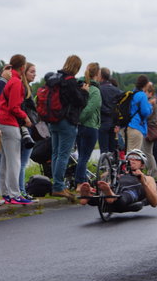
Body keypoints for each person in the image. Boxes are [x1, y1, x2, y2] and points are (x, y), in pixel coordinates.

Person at [49, 55, 89, 199]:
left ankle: (56, 184)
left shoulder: (55, 78)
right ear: (76, 67)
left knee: (55, 154)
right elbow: (79, 102)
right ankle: (59, 187)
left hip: (53, 120)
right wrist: (84, 92)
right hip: (67, 121)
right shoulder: (70, 81)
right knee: (63, 155)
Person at [0, 54, 33, 205]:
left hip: (0, 121)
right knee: (14, 161)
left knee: (5, 160)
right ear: (23, 67)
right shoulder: (17, 82)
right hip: (10, 123)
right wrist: (25, 117)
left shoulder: (9, 80)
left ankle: (5, 193)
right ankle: (14, 194)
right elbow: (14, 107)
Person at [79, 149, 157, 211]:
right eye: (130, 158)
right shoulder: (119, 173)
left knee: (126, 194)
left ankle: (111, 196)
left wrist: (143, 182)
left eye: (137, 158)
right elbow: (101, 179)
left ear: (142, 165)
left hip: (130, 191)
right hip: (114, 188)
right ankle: (88, 196)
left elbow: (154, 203)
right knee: (104, 187)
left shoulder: (148, 178)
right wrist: (108, 173)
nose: (132, 160)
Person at [75, 62, 102, 193]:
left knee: (81, 155)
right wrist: (80, 119)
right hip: (90, 126)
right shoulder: (95, 90)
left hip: (79, 127)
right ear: (97, 74)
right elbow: (90, 109)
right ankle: (80, 182)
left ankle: (83, 180)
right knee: (84, 156)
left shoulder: (80, 86)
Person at [0, 64, 12, 208]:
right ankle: (10, 192)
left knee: (3, 161)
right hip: (3, 123)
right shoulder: (13, 83)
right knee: (10, 161)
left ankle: (0, 192)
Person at [19, 62, 38, 200]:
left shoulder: (27, 88)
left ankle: (19, 190)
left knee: (19, 161)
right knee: (22, 162)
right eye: (31, 71)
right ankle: (21, 191)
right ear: (24, 73)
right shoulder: (24, 88)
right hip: (25, 127)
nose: (34, 74)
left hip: (23, 127)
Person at [141, 82, 157, 178]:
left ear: (150, 93)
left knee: (148, 153)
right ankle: (152, 173)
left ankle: (153, 174)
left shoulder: (152, 103)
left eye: (145, 92)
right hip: (150, 129)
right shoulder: (152, 102)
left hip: (149, 130)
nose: (143, 94)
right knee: (148, 152)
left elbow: (148, 115)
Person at [124, 75, 153, 152]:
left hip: (126, 126)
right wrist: (150, 107)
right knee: (134, 154)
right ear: (146, 85)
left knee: (128, 153)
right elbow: (145, 112)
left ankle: (126, 164)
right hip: (136, 127)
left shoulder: (132, 93)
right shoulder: (142, 95)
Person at [98, 67, 121, 154]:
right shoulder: (117, 90)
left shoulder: (99, 90)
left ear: (101, 76)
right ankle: (113, 165)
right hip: (114, 122)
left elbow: (99, 105)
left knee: (104, 149)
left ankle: (104, 166)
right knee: (113, 148)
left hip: (103, 121)